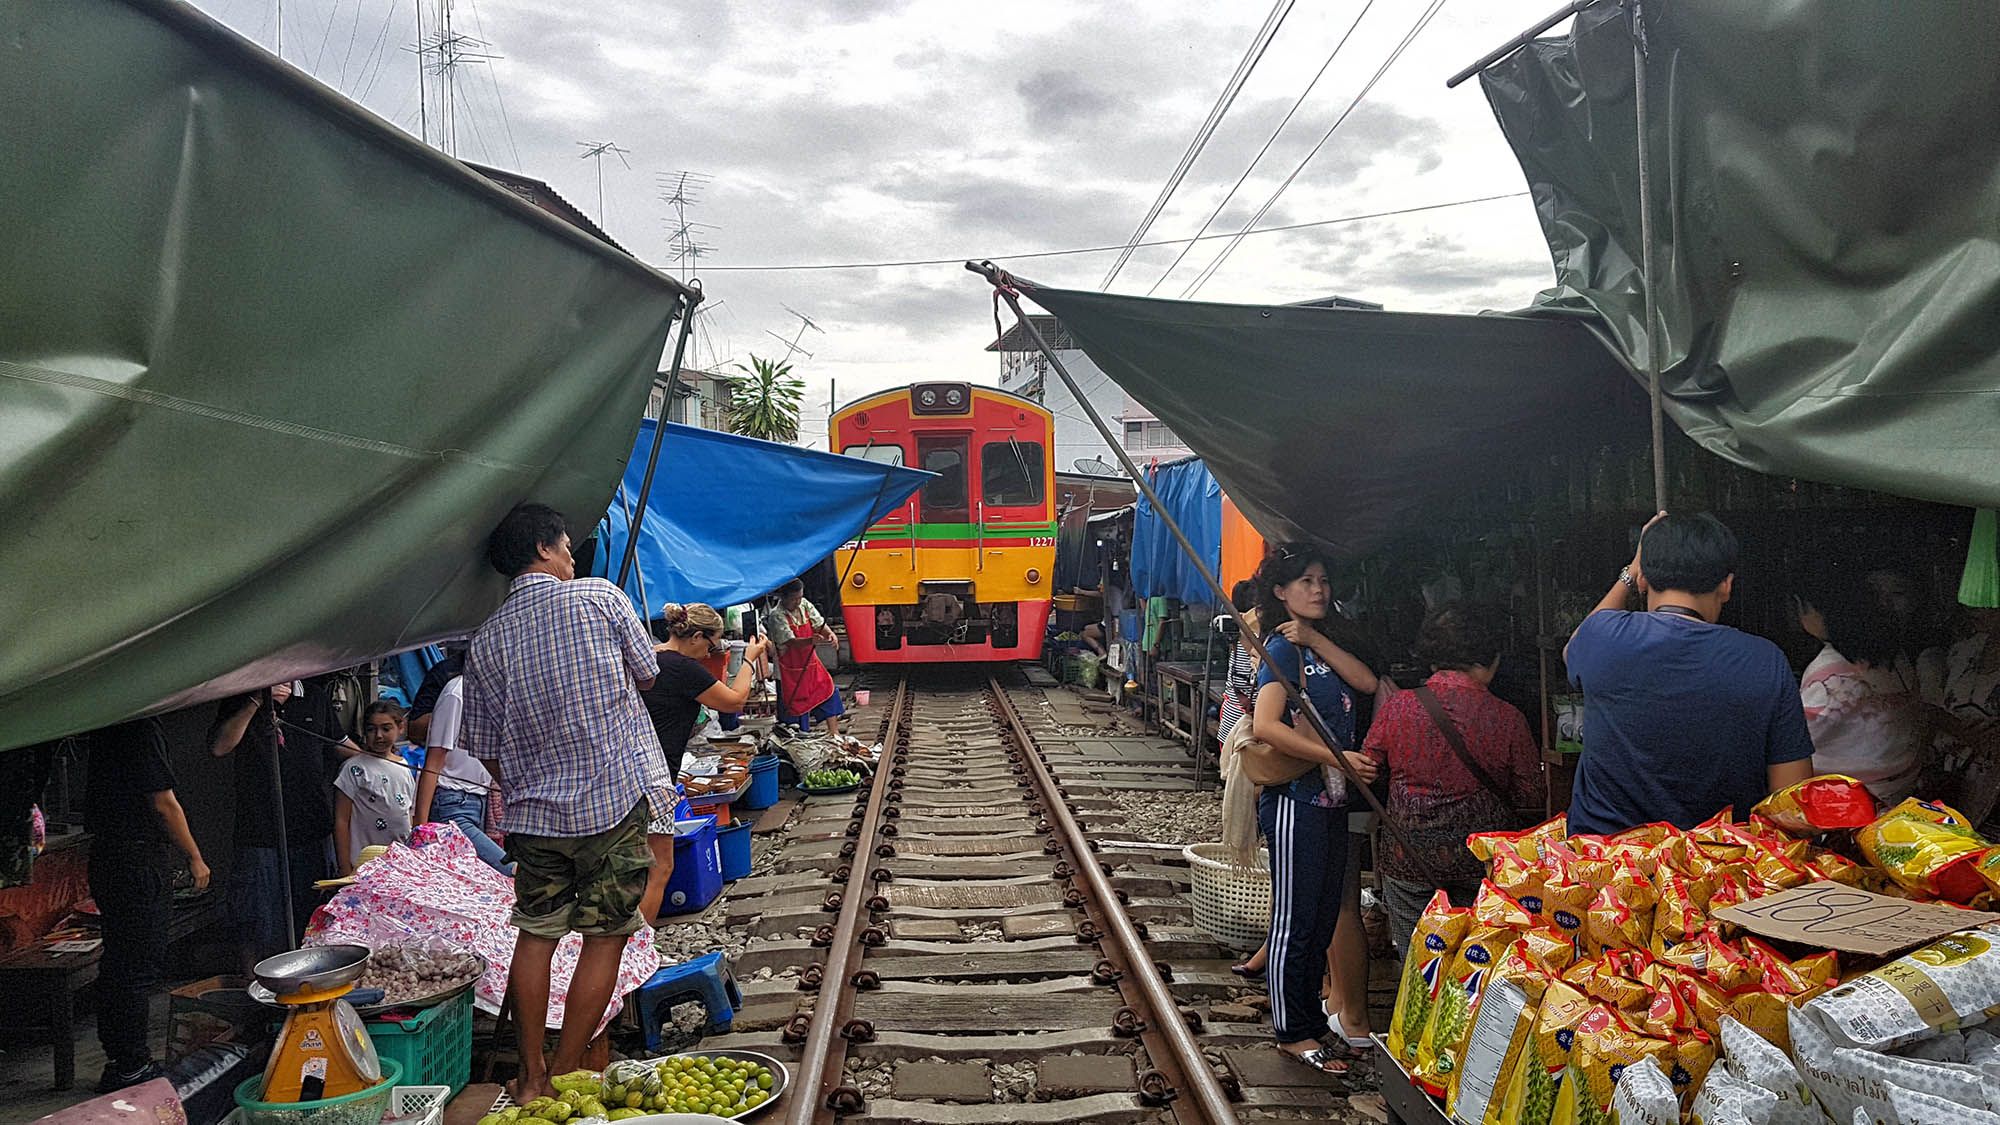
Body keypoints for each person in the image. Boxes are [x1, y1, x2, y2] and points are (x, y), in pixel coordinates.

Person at [459, 502, 672, 1104]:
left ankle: (528, 1075)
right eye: (568, 545)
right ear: (548, 548)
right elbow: (649, 673)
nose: (574, 555)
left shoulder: (487, 640)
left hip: (536, 818)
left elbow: (486, 752)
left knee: (536, 935)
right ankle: (565, 1070)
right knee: (605, 937)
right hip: (613, 803)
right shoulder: (601, 599)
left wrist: (533, 777)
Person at [1563, 512, 1816, 836]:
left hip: (1606, 871)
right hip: (1718, 871)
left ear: (1643, 579)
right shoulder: (1766, 660)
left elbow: (1572, 649)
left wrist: (1630, 572)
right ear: (1726, 585)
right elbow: (1791, 807)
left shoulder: (1602, 637)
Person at [1249, 543, 1380, 1075]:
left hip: (1330, 799)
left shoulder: (1313, 644)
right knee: (1295, 920)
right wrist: (1338, 757)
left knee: (1323, 916)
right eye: (1305, 581)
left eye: (1323, 580)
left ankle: (1310, 1021)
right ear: (1280, 592)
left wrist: (1316, 637)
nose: (1318, 589)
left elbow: (1367, 683)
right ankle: (1292, 1030)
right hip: (1296, 799)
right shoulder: (1279, 651)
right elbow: (1265, 725)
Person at [1365, 603, 1540, 956]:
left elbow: (1368, 766)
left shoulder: (1399, 707)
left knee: (1417, 962)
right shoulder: (1508, 718)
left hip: (1408, 855)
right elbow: (1530, 795)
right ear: (1491, 660)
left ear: (1431, 659)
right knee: (1478, 963)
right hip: (1483, 861)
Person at [82, 717, 210, 1092]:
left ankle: (121, 1059)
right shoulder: (140, 729)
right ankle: (132, 1064)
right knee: (136, 967)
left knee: (119, 962)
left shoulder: (107, 726)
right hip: (135, 860)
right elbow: (163, 803)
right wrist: (194, 857)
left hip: (109, 856)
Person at [210, 681, 352, 972]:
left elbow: (339, 744)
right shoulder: (241, 697)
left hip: (311, 826)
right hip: (260, 831)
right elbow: (219, 746)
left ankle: (307, 988)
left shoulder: (314, 695)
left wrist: (385, 762)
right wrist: (256, 702)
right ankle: (258, 991)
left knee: (311, 918)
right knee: (256, 921)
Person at [1795, 572, 1926, 807]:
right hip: (1902, 795)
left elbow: (1794, 743)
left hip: (1848, 807)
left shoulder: (1829, 674)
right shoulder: (1895, 657)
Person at [413, 674, 510, 873]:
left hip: (482, 801)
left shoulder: (497, 692)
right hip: (453, 803)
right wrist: (419, 830)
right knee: (507, 870)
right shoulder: (456, 693)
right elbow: (434, 761)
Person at [333, 701, 418, 874]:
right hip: (364, 865)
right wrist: (345, 867)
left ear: (400, 727)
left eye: (386, 729)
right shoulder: (355, 769)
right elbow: (341, 820)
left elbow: (409, 812)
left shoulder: (404, 766)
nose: (378, 735)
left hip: (398, 863)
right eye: (372, 729)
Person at [763, 578, 845, 737]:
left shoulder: (805, 605)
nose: (797, 601)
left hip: (811, 663)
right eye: (794, 599)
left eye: (800, 597)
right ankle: (800, 738)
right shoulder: (776, 616)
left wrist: (830, 634)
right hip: (789, 670)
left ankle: (834, 734)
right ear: (783, 597)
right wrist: (810, 640)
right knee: (795, 707)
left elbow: (818, 623)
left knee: (828, 691)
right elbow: (790, 641)